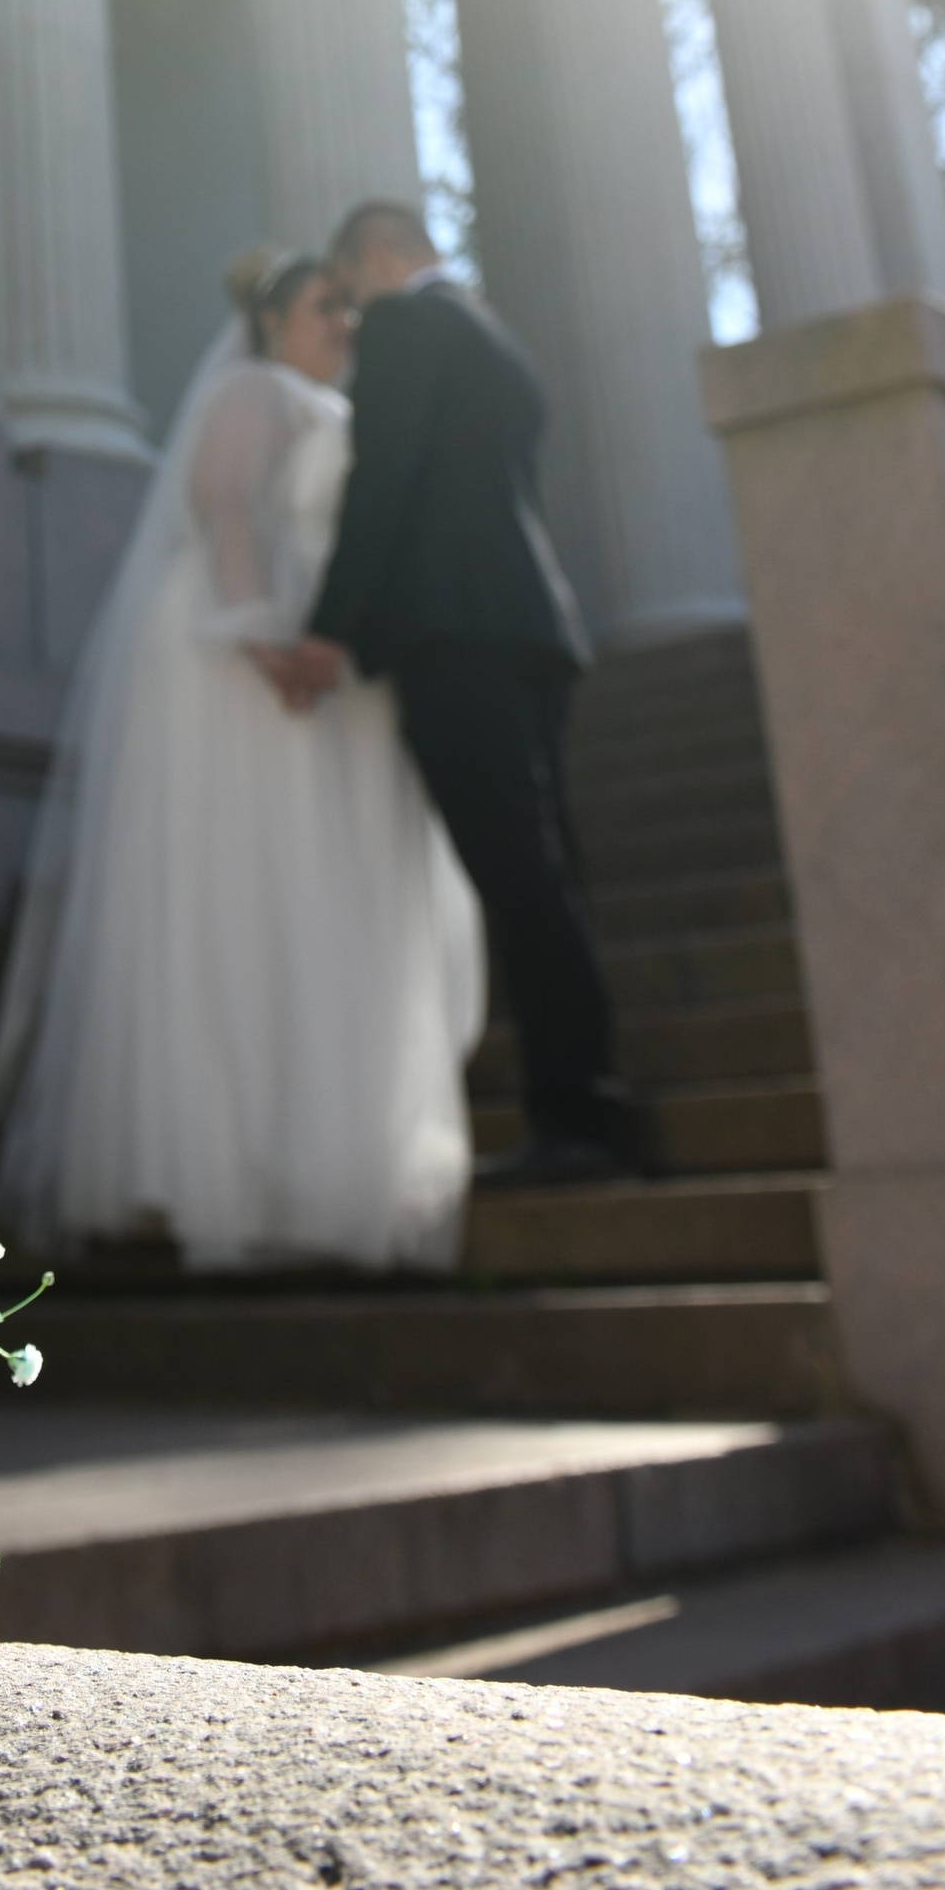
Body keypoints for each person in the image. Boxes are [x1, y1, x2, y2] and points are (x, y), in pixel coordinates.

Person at [0, 246, 486, 1272]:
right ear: (268, 324)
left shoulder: (334, 406)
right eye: (322, 308)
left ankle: (303, 1164)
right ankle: (211, 1167)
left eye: (348, 308)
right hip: (242, 649)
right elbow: (226, 503)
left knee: (310, 899)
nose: (342, 324)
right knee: (243, 887)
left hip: (307, 647)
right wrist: (264, 635)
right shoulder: (257, 390)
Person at [296, 199, 645, 1188]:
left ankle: (576, 1116)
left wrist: (330, 623)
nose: (353, 314)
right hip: (530, 627)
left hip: (455, 634)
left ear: (374, 258)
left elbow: (385, 473)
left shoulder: (409, 323)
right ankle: (589, 1100)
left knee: (516, 875)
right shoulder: (493, 339)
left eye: (350, 289)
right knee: (545, 869)